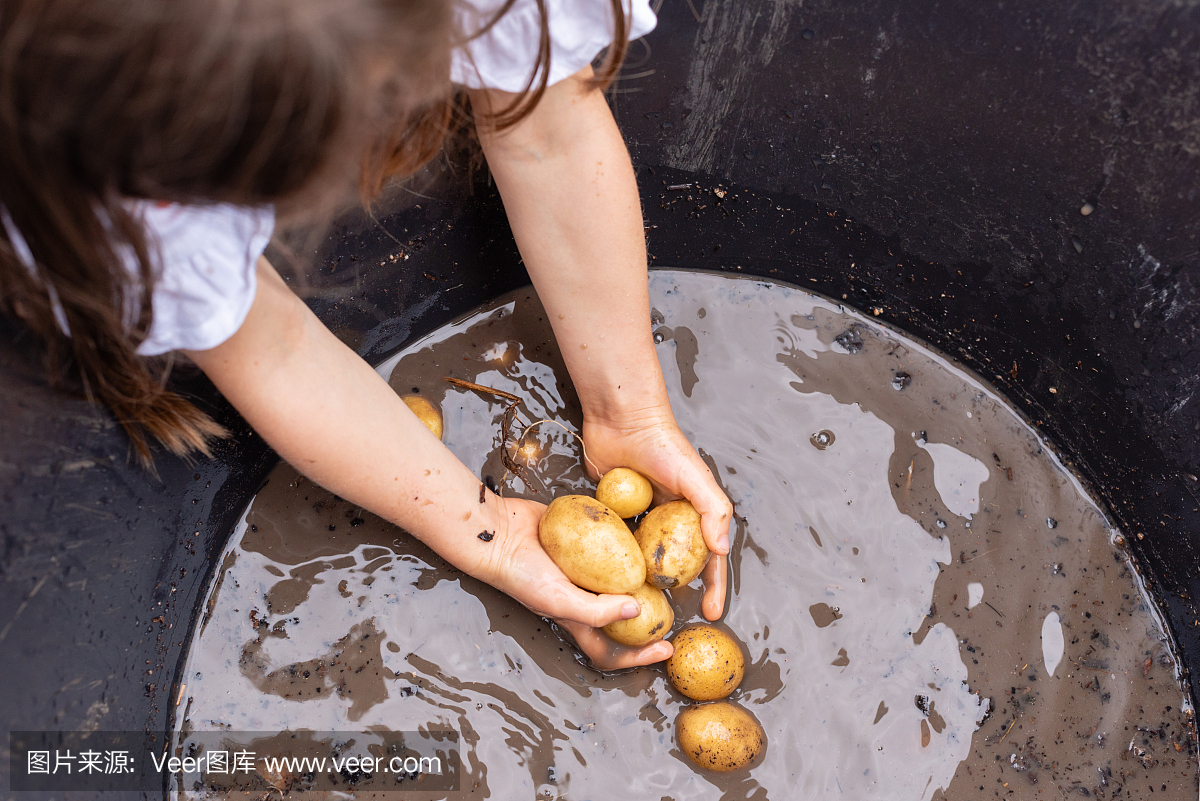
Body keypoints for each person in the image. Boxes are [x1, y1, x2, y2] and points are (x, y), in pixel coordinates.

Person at [0, 0, 732, 670]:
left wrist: (628, 406)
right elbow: (273, 348)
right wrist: (487, 532)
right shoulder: (87, 160)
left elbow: (546, 129)